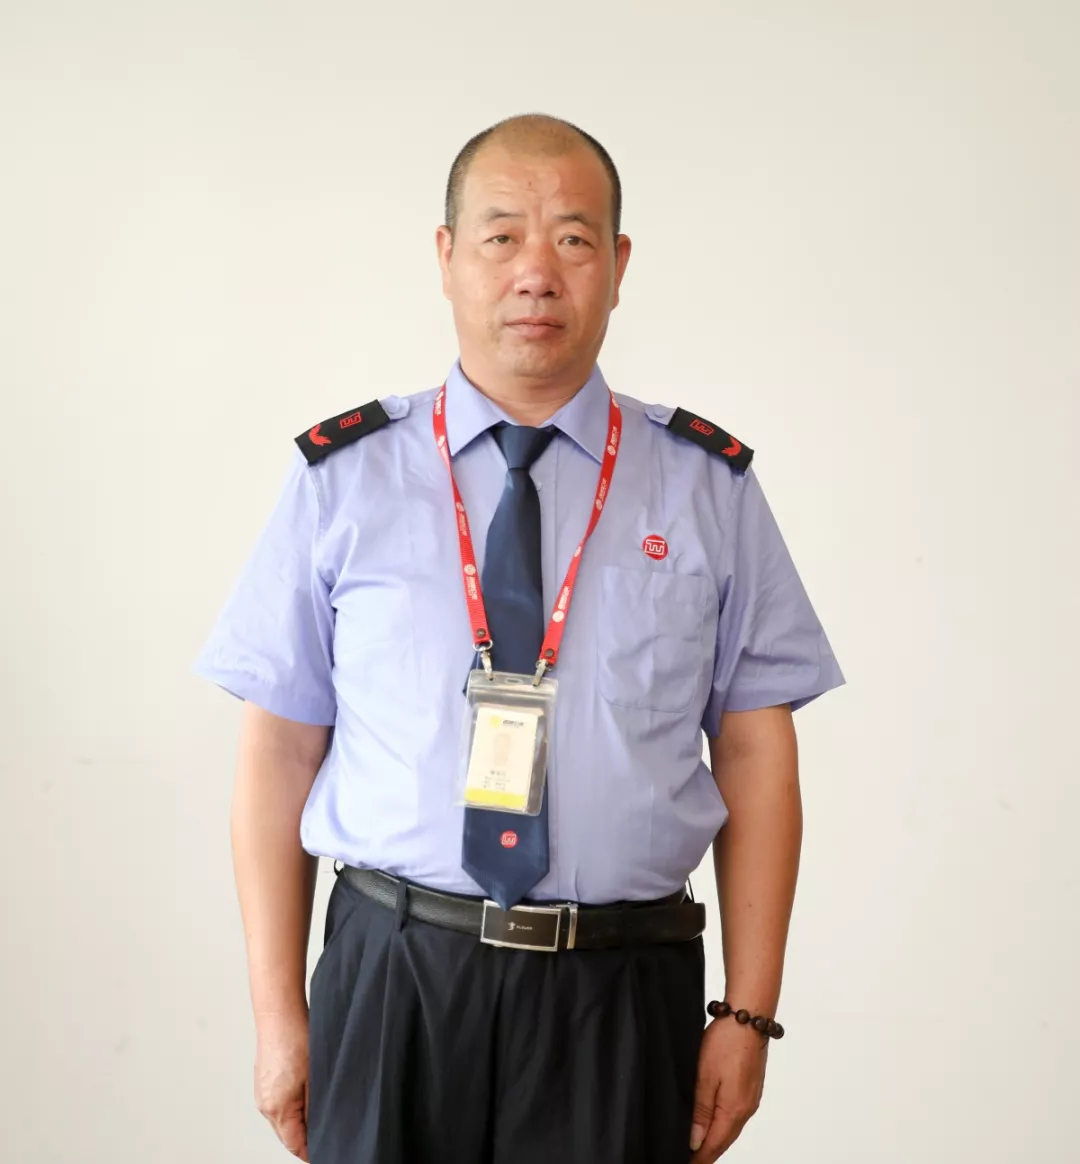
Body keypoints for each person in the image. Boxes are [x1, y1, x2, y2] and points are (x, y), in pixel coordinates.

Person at [195, 113, 844, 1164]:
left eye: (573, 239)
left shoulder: (708, 489)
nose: (537, 271)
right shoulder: (343, 481)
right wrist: (278, 1017)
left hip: (620, 990)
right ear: (447, 256)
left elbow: (756, 751)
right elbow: (277, 751)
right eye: (502, 236)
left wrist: (749, 1012)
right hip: (395, 976)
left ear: (619, 266)